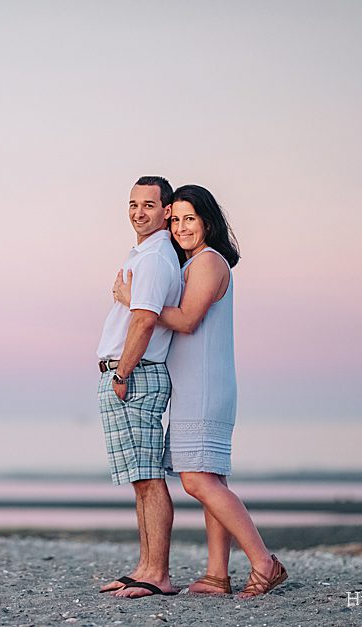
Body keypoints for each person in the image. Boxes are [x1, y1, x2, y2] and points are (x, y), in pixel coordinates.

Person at [113, 184, 288, 598]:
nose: (179, 227)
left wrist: (134, 300)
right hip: (200, 385)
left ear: (208, 221)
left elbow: (188, 320)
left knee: (196, 481)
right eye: (174, 220)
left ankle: (264, 563)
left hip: (205, 387)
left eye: (188, 219)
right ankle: (216, 575)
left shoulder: (209, 262)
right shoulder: (193, 265)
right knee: (212, 480)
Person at [96, 176, 182, 599]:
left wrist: (121, 374)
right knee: (139, 479)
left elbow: (145, 320)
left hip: (135, 376)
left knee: (148, 479)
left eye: (148, 204)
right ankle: (146, 567)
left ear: (166, 210)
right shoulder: (146, 254)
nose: (138, 212)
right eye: (133, 204)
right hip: (131, 374)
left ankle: (158, 574)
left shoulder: (153, 259)